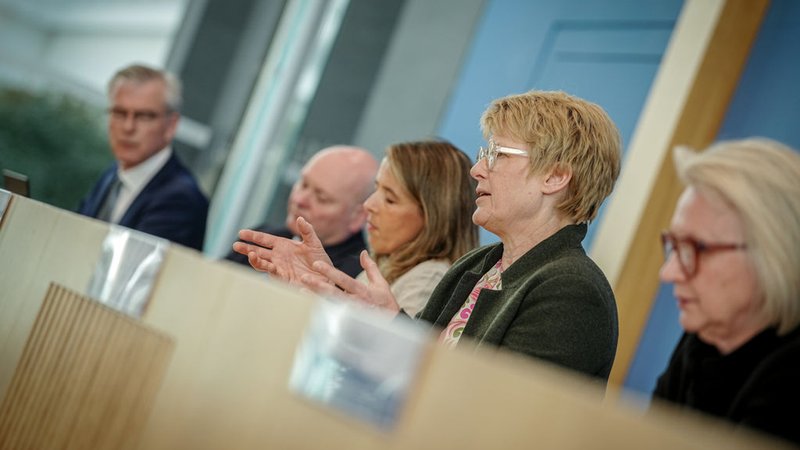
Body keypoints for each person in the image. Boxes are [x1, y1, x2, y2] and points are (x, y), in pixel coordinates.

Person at [236, 91, 621, 382]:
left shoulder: (571, 290)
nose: (478, 170)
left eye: (498, 154)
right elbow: (413, 365)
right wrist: (370, 312)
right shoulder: (479, 264)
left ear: (555, 177)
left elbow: (495, 416)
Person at [652, 138, 800, 445]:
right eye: (675, 247)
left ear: (775, 255)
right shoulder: (704, 339)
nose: (668, 273)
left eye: (697, 248)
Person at [235, 140, 478, 316]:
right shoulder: (388, 266)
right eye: (376, 190)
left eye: (390, 199)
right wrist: (319, 287)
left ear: (433, 217)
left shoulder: (428, 278)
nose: (369, 205)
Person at [77, 63, 208, 251]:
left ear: (171, 126)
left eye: (144, 116)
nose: (128, 127)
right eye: (120, 113)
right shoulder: (113, 174)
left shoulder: (181, 199)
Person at [225, 146, 377, 278]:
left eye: (321, 198)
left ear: (357, 217)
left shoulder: (359, 279)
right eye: (303, 184)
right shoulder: (262, 238)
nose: (299, 199)